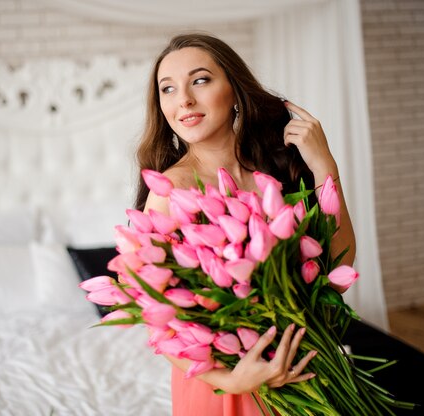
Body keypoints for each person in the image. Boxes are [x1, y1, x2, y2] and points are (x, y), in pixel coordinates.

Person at [134, 32, 356, 416]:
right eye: (167, 89)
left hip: (305, 365)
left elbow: (339, 263)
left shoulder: (276, 167)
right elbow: (157, 320)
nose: (183, 99)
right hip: (225, 386)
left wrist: (325, 166)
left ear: (235, 90)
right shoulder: (170, 192)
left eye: (200, 80)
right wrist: (232, 381)